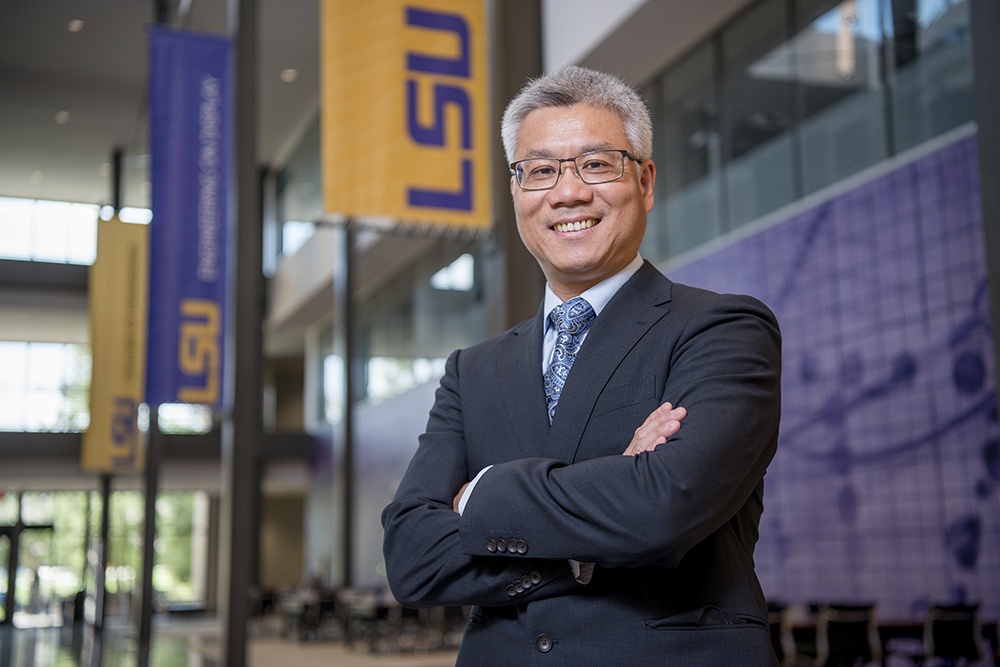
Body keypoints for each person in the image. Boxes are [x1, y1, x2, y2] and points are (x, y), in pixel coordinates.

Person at [381, 65, 782, 666]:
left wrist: (480, 496)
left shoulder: (722, 330)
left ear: (644, 182)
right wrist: (601, 512)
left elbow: (663, 508)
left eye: (596, 164)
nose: (567, 193)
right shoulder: (473, 371)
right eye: (540, 171)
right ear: (516, 192)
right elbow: (413, 559)